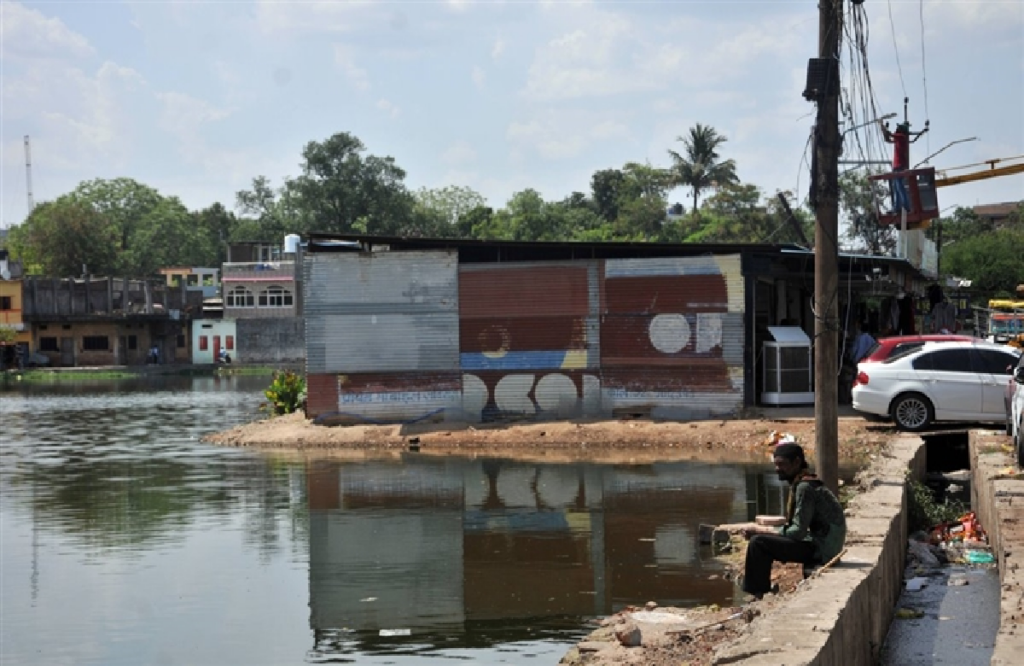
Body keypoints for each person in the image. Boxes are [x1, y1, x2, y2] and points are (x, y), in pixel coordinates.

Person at [740, 443, 847, 600]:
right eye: (776, 464)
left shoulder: (805, 488)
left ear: (796, 462)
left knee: (759, 543)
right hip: (823, 544)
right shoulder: (805, 483)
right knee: (763, 540)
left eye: (782, 464)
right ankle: (760, 591)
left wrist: (767, 532)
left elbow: (797, 531)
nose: (777, 469)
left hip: (822, 550)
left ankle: (758, 595)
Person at [879, 120, 927, 215]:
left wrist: (882, 125)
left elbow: (889, 134)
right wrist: (883, 130)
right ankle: (897, 208)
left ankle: (906, 206)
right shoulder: (900, 139)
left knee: (899, 186)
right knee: (897, 187)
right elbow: (887, 139)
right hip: (898, 165)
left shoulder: (901, 137)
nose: (896, 129)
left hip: (899, 165)